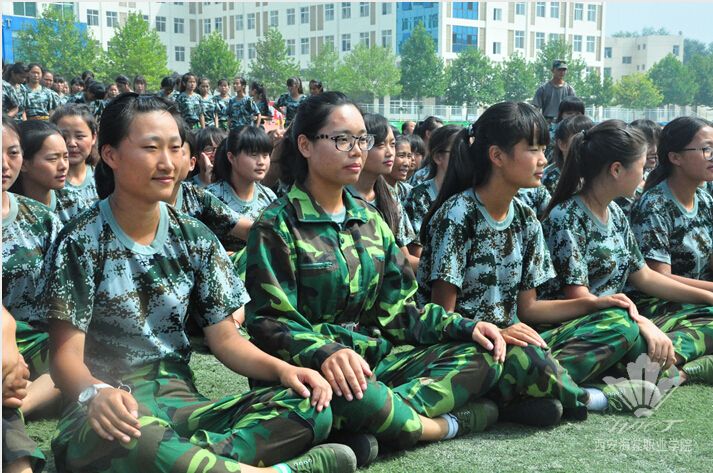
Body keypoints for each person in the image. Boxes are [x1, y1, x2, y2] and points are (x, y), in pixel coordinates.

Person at [39, 93, 356, 473]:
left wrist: (285, 371)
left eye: (175, 148)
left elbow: (226, 340)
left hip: (180, 400)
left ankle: (186, 461)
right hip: (110, 406)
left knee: (307, 403)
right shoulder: (79, 241)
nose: (167, 162)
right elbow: (64, 359)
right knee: (136, 439)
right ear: (111, 155)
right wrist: (96, 393)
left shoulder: (195, 237)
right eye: (151, 148)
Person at [245, 91, 504, 456]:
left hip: (373, 368)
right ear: (305, 145)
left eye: (361, 139)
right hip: (310, 376)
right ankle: (439, 425)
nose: (356, 151)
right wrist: (327, 352)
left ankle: (376, 420)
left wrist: (466, 326)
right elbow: (270, 324)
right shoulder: (276, 226)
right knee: (353, 394)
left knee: (482, 354)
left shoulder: (370, 220)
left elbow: (401, 312)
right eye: (342, 140)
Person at [419, 102, 649, 423]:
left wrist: (596, 304)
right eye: (532, 149)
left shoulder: (526, 219)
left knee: (618, 324)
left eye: (543, 148)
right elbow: (442, 317)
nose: (543, 159)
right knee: (522, 358)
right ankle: (588, 398)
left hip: (512, 342)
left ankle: (516, 393)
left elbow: (529, 309)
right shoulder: (458, 215)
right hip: (467, 345)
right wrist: (500, 333)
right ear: (497, 156)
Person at [544, 119, 713, 388]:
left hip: (619, 317)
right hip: (591, 325)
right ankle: (663, 366)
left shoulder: (615, 213)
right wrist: (639, 321)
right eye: (642, 166)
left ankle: (663, 362)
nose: (646, 175)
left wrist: (707, 296)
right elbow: (580, 298)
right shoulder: (567, 217)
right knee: (627, 334)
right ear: (616, 170)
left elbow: (644, 276)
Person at [628, 117, 713, 383]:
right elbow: (658, 277)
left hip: (697, 300)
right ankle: (666, 364)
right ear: (675, 157)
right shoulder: (654, 205)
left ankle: (687, 371)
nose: (712, 155)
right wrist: (709, 293)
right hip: (659, 302)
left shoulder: (704, 200)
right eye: (706, 149)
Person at [2, 116, 61, 473]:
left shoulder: (40, 218)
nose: (3, 164)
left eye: (12, 153)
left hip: (36, 343)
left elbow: (65, 286)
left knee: (96, 353)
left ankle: (15, 404)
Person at [348, 113, 419, 271]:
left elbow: (402, 257)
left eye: (392, 144)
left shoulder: (389, 195)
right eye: (380, 145)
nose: (390, 153)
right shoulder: (341, 196)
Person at [206, 126, 277, 253]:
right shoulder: (211, 197)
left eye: (265, 155)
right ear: (231, 157)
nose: (261, 162)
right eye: (253, 154)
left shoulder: (269, 197)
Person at [11, 120, 83, 224]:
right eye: (53, 159)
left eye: (66, 157)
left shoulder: (72, 200)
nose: (63, 166)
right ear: (23, 164)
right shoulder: (8, 210)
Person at [404, 125, 460, 254]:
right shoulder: (420, 196)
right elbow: (417, 251)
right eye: (457, 151)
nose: (465, 157)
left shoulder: (472, 194)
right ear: (438, 157)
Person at [50, 104, 100, 211]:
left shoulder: (104, 178)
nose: (72, 143)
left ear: (93, 137)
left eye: (79, 136)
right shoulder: (48, 183)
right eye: (64, 136)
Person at [614, 119, 662, 215]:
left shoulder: (655, 178)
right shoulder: (622, 184)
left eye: (658, 143)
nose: (655, 150)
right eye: (648, 144)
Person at [542, 115, 595, 195]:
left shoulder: (597, 174)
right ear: (562, 144)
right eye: (580, 138)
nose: (587, 144)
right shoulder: (549, 178)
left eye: (590, 138)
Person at [410, 116, 444, 185]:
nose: (443, 136)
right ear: (428, 133)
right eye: (439, 132)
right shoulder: (411, 151)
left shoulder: (437, 156)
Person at [384, 134, 414, 203]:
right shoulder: (374, 192)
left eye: (409, 156)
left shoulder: (409, 192)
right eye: (401, 155)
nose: (406, 163)